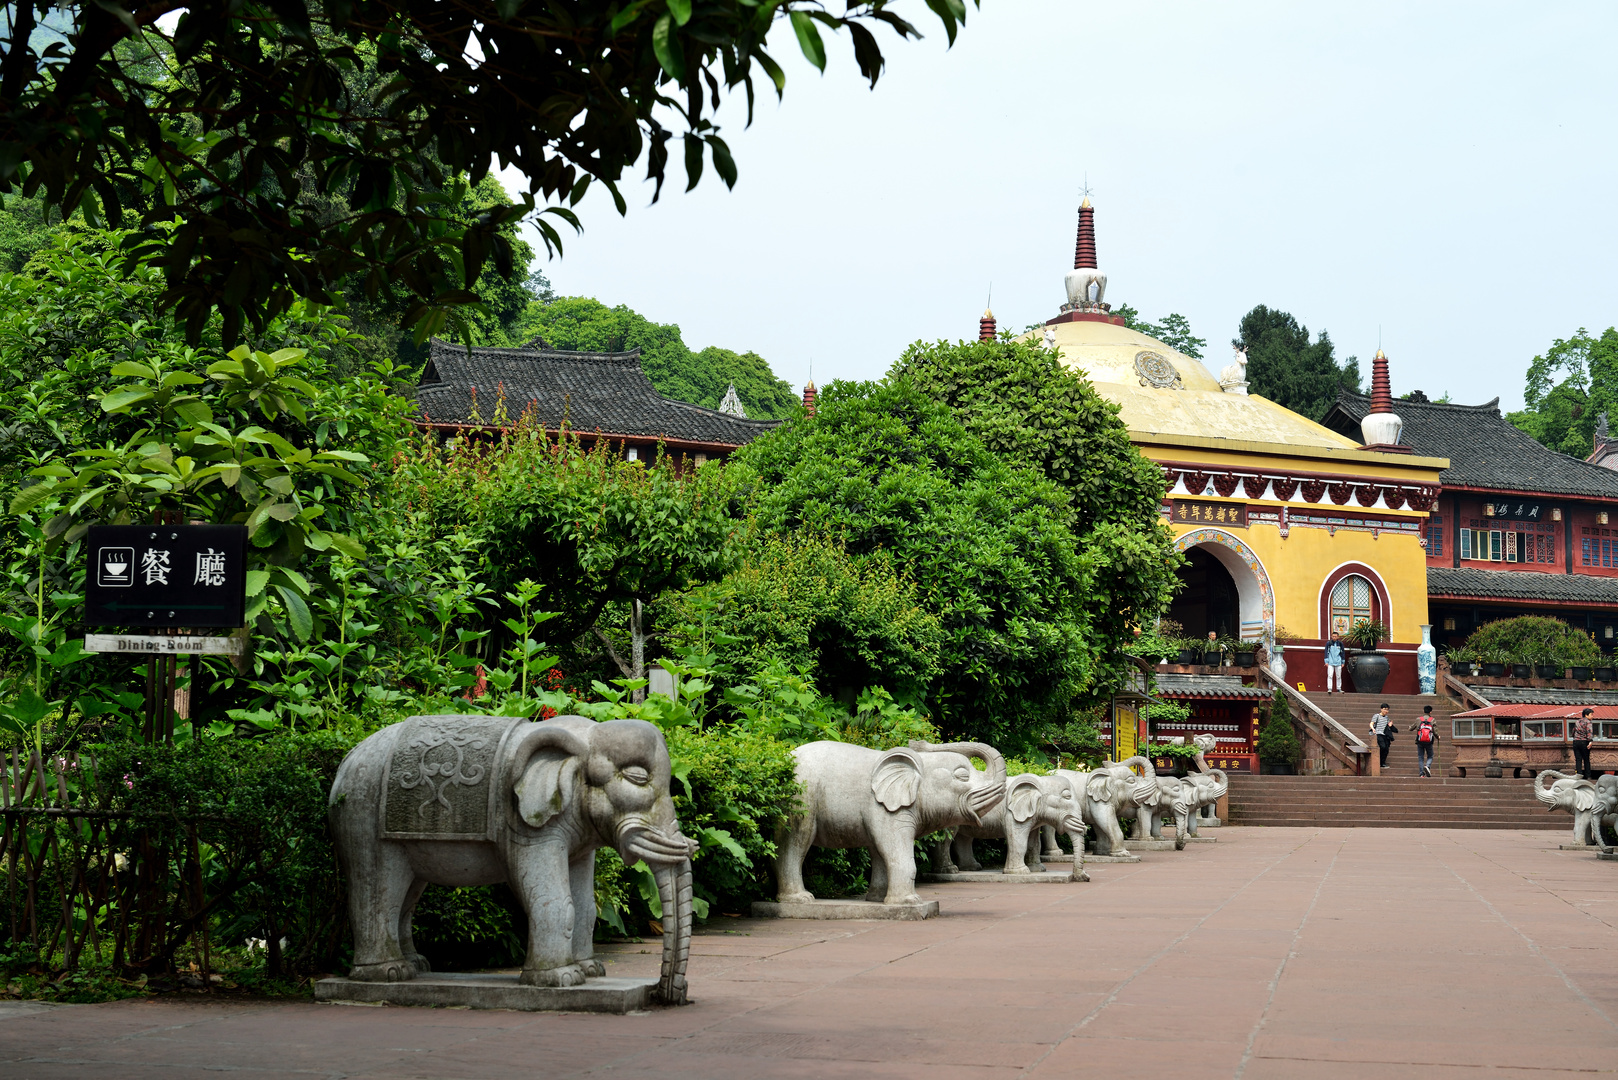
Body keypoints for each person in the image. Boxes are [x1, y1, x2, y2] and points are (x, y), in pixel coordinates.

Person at [1415, 705, 1438, 778]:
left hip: (1420, 740)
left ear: (1423, 711)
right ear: (1430, 712)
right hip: (1429, 741)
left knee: (1420, 756)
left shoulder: (1419, 719)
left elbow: (1412, 727)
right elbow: (1435, 731)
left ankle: (1421, 773)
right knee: (1430, 755)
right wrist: (1438, 737)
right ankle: (1427, 766)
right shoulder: (1432, 719)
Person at [1573, 707, 1595, 781]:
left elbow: (1573, 732)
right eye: (1591, 714)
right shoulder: (1588, 722)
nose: (1592, 716)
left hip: (1576, 741)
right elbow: (1589, 732)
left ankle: (1578, 775)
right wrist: (1590, 741)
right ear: (1586, 715)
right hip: (1584, 741)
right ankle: (1588, 776)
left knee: (1578, 759)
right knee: (1586, 759)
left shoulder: (1577, 721)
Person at [1370, 703, 1395, 769]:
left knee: (1386, 749)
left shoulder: (1387, 718)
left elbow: (1388, 725)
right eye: (1384, 709)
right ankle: (1379, 761)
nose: (1386, 711)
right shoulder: (1376, 716)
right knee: (1382, 746)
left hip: (1385, 735)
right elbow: (1371, 723)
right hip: (1378, 733)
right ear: (1381, 709)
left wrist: (1390, 725)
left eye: (1387, 710)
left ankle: (1382, 763)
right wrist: (1373, 729)